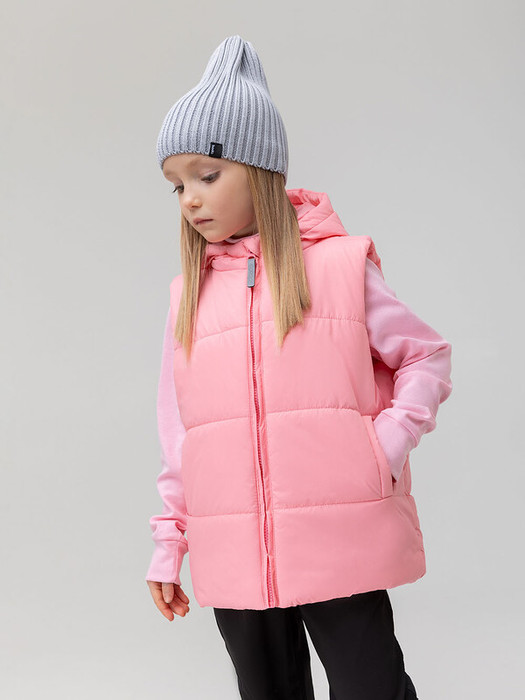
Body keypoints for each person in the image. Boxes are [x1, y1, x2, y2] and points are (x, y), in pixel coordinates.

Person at [145, 34, 453, 700]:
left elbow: (425, 356)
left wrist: (381, 447)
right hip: (232, 545)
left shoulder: (340, 267)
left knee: (370, 687)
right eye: (176, 185)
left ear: (260, 168)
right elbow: (181, 437)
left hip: (338, 534)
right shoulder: (187, 297)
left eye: (206, 174)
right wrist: (170, 542)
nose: (189, 199)